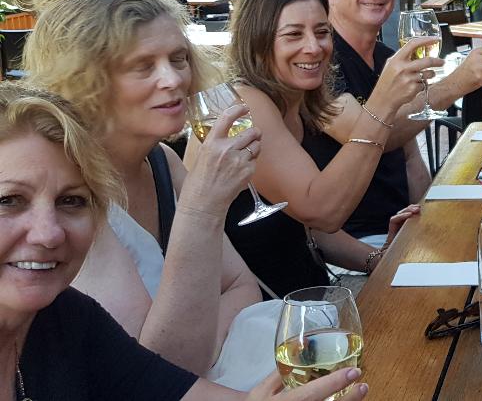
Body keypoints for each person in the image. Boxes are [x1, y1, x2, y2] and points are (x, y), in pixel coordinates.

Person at [0, 83, 368, 400]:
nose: (48, 233)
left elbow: (171, 389)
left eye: (71, 201)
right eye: (8, 201)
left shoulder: (69, 319)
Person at [23, 0, 274, 389]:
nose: (173, 79)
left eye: (178, 59)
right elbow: (152, 373)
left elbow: (244, 287)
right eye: (143, 66)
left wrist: (195, 341)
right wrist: (202, 208)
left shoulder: (162, 160)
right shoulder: (70, 196)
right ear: (87, 81)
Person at [208, 0, 427, 297]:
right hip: (247, 314)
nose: (313, 47)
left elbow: (310, 230)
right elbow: (321, 211)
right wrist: (382, 106)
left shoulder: (304, 104)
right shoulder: (243, 102)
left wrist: (378, 259)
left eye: (322, 32)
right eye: (293, 34)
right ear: (258, 41)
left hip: (306, 295)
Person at [312, 0, 482, 245]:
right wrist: (459, 82)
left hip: (399, 227)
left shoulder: (385, 56)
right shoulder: (321, 60)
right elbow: (372, 135)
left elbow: (409, 154)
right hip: (355, 244)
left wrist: (429, 218)